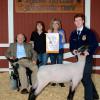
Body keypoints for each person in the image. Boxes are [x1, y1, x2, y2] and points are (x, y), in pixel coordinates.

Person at [69, 13, 99, 100]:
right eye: (76, 21)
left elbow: (95, 44)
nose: (78, 22)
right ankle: (95, 95)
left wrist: (88, 51)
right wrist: (73, 50)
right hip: (78, 60)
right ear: (74, 22)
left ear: (83, 21)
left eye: (79, 20)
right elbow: (71, 46)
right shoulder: (73, 33)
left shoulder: (89, 32)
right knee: (83, 78)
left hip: (87, 58)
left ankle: (88, 98)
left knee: (86, 77)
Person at [48, 18, 66, 87]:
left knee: (60, 66)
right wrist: (49, 34)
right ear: (52, 24)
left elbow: (63, 42)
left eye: (57, 23)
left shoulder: (61, 31)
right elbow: (48, 42)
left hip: (60, 50)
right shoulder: (49, 31)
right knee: (53, 66)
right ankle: (53, 81)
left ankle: (60, 81)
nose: (55, 25)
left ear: (59, 25)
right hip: (52, 50)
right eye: (54, 23)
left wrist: (63, 35)